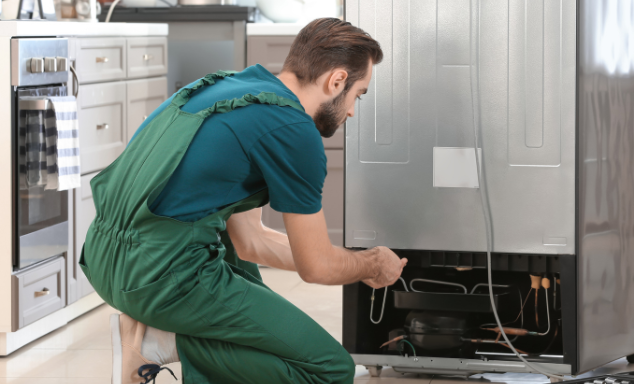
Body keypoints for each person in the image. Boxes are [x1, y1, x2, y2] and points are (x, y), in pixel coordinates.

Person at [79, 18, 407, 384]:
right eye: (358, 94)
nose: (351, 111)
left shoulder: (232, 89)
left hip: (104, 260)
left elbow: (252, 243)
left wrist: (345, 262)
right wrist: (371, 263)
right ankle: (163, 340)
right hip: (160, 278)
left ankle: (168, 338)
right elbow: (317, 267)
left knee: (252, 296)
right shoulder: (294, 132)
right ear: (337, 80)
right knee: (329, 369)